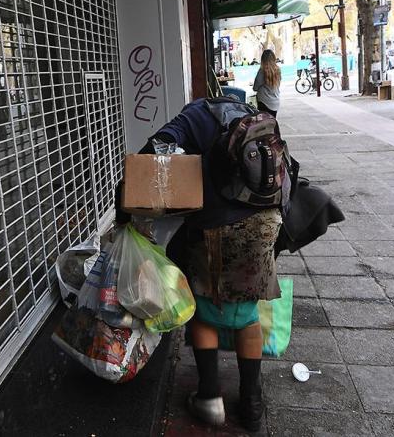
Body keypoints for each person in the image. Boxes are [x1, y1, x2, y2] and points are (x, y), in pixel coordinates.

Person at [115, 99, 282, 432]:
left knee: (205, 309)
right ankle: (252, 403)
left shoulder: (195, 113)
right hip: (265, 222)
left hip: (216, 227)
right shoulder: (253, 116)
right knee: (248, 313)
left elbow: (155, 148)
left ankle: (209, 398)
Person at [252, 49, 281, 117]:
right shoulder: (278, 70)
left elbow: (255, 88)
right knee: (272, 123)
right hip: (275, 101)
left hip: (264, 102)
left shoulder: (262, 71)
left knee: (264, 124)